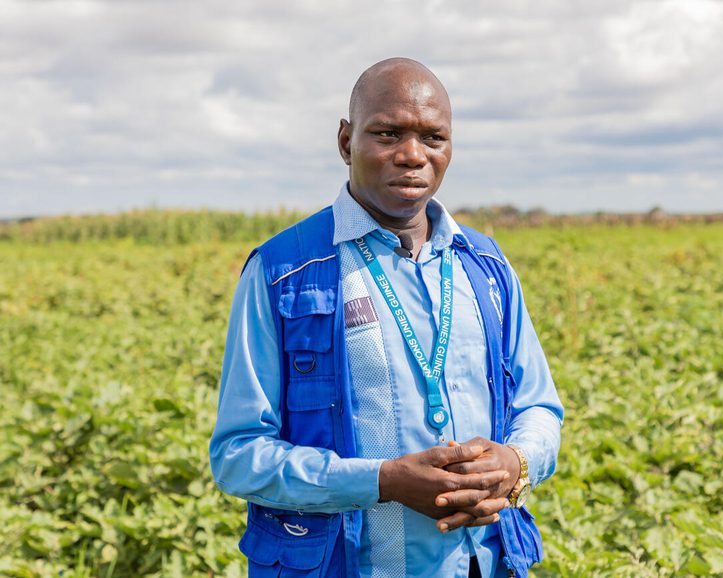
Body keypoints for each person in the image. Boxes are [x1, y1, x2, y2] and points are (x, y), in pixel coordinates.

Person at [209, 57, 563, 578]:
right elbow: (240, 454)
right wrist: (385, 481)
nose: (412, 156)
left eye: (433, 137)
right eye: (388, 133)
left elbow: (538, 407)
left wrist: (515, 462)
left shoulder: (486, 266)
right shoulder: (284, 272)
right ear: (345, 141)